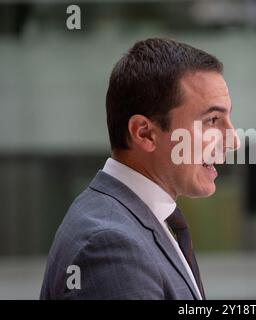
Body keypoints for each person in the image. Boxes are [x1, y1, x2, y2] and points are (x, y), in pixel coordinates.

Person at [40, 38, 239, 299]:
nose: (233, 140)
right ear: (145, 133)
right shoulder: (110, 245)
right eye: (212, 120)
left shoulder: (134, 219)